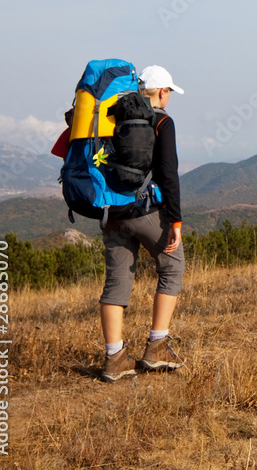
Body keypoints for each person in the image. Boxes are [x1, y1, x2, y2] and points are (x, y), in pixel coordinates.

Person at [99, 65, 186, 382]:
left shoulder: (111, 115)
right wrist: (175, 220)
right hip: (144, 210)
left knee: (116, 282)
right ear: (162, 92)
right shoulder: (161, 121)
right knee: (172, 265)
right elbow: (168, 172)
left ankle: (114, 359)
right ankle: (156, 347)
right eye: (170, 93)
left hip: (110, 213)